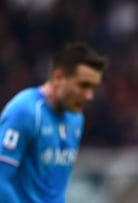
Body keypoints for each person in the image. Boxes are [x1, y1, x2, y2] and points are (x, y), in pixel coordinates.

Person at [0, 42, 107, 203]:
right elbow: (2, 180)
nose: (89, 96)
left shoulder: (76, 119)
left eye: (93, 88)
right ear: (58, 77)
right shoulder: (25, 112)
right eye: (83, 85)